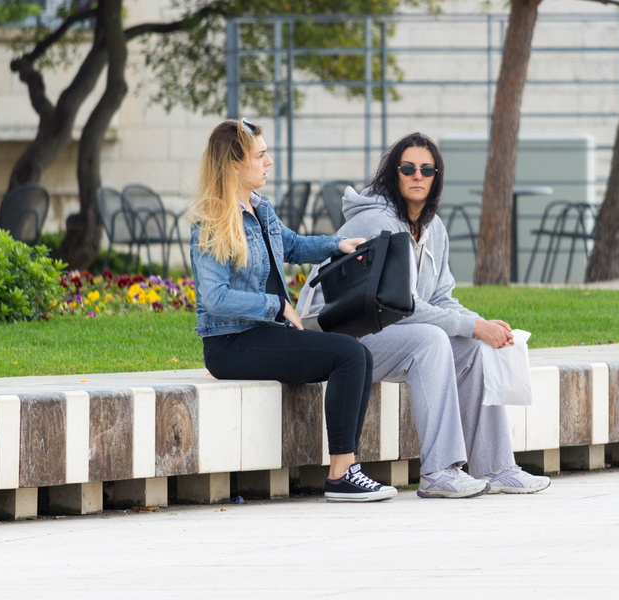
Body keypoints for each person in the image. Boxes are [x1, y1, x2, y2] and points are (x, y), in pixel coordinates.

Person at [299, 132, 550, 498]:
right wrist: (472, 325)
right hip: (340, 333)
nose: (418, 176)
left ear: (436, 177)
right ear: (394, 174)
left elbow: (442, 298)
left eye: (427, 169)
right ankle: (439, 472)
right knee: (432, 340)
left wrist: (481, 324)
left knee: (472, 347)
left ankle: (497, 467)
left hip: (385, 331)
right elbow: (402, 305)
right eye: (408, 168)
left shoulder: (434, 228)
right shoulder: (376, 224)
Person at [189, 118, 396, 503]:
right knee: (349, 355)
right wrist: (277, 304)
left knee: (359, 355)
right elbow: (214, 298)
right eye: (261, 155)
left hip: (266, 335)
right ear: (235, 163)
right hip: (231, 342)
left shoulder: (260, 208)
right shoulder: (212, 221)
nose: (269, 162)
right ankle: (340, 474)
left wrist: (340, 245)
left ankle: (346, 468)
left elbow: (295, 246)